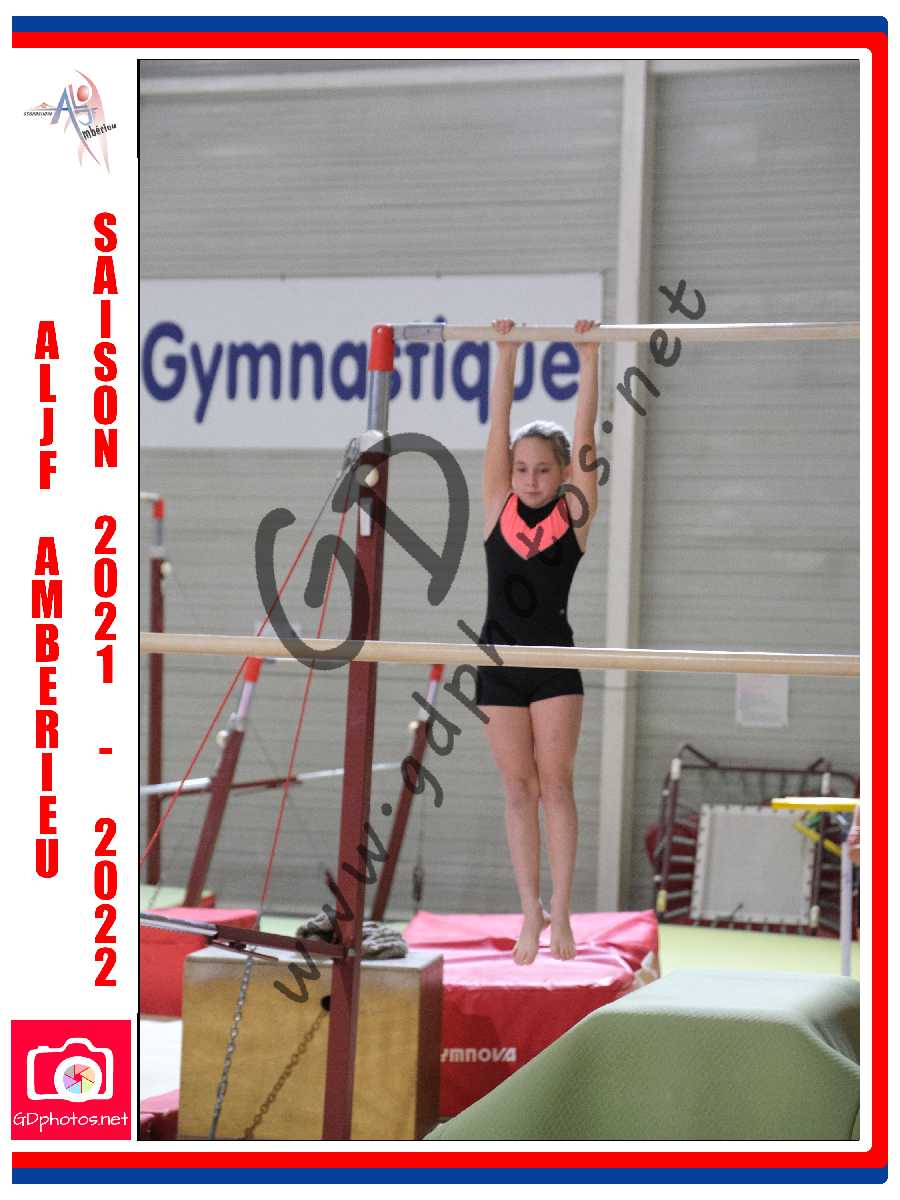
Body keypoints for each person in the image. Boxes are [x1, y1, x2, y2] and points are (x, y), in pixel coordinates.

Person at [476, 318, 600, 964]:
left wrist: (589, 359)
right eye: (521, 469)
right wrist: (507, 355)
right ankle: (531, 909)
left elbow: (586, 436)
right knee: (517, 788)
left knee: (556, 785)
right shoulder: (497, 507)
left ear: (562, 473)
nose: (528, 479)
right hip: (497, 663)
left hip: (553, 664)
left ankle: (564, 911)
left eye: (542, 470)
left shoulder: (573, 516)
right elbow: (497, 427)